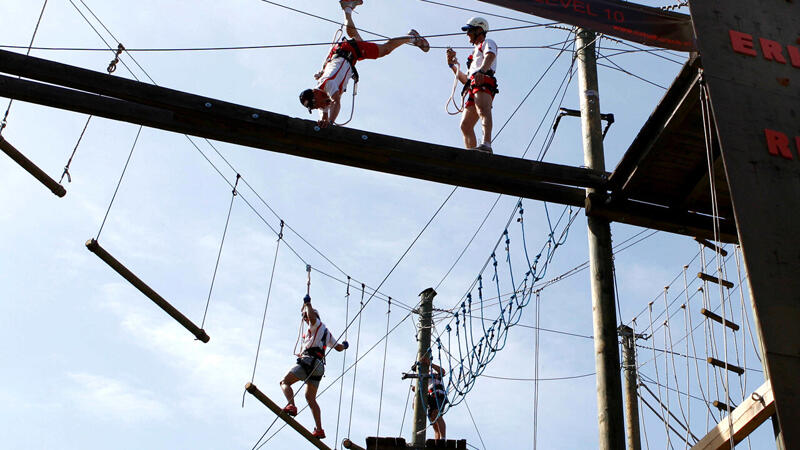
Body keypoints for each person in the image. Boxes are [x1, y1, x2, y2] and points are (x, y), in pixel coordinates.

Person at [299, 1, 430, 127]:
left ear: (315, 94)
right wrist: (324, 120)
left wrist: (330, 123)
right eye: (314, 107)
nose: (317, 107)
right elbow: (324, 111)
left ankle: (413, 37)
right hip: (346, 53)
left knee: (385, 50)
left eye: (315, 104)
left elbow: (336, 102)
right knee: (354, 34)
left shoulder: (328, 85)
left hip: (349, 52)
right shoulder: (323, 94)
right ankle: (347, 8)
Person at [279, 294, 348, 439]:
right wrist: (345, 346)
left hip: (309, 362)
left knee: (285, 382)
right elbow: (338, 348)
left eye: (306, 317)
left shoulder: (316, 324)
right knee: (310, 397)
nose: (305, 319)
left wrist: (308, 304)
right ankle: (319, 429)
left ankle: (291, 405)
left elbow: (311, 318)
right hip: (318, 367)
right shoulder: (326, 332)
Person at [446, 17, 498, 153]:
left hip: (482, 81)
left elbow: (490, 55)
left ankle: (486, 144)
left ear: (479, 30)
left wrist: (482, 71)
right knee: (465, 125)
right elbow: (465, 79)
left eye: (469, 31)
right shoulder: (474, 55)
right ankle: (472, 154)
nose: (467, 34)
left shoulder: (487, 42)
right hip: (473, 84)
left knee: (483, 111)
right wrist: (452, 65)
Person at [411, 355, 448, 440]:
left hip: (438, 394)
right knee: (433, 420)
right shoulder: (420, 380)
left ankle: (443, 438)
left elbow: (442, 371)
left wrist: (430, 364)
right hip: (430, 397)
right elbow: (418, 394)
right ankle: (437, 440)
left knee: (436, 414)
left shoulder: (432, 374)